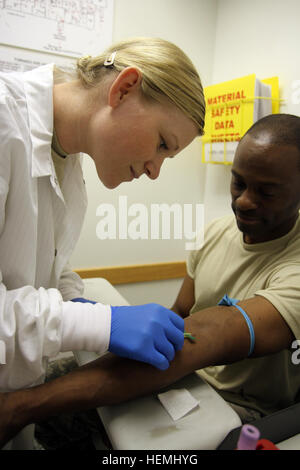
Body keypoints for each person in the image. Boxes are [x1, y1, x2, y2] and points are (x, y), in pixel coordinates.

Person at [1, 112, 300, 449]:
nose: (244, 200)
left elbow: (210, 334)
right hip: (186, 374)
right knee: (48, 403)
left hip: (239, 409)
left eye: (268, 192)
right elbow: (180, 315)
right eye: (238, 183)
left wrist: (17, 408)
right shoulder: (214, 234)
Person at [0, 36, 205, 448]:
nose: (154, 171)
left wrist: (76, 301)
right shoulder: (5, 122)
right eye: (162, 144)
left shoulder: (68, 163)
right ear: (124, 88)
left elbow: (42, 267)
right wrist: (102, 324)